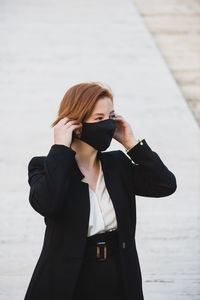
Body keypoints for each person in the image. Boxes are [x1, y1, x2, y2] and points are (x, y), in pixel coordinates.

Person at [24, 82, 177, 300]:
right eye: (98, 119)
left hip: (119, 275)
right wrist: (60, 148)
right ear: (75, 123)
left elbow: (165, 185)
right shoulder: (43, 167)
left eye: (111, 116)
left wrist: (131, 143)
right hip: (68, 280)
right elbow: (49, 204)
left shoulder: (117, 165)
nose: (107, 124)